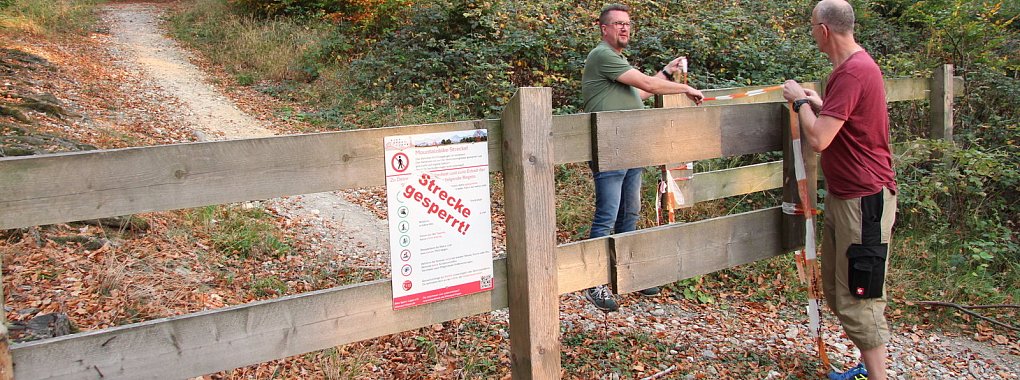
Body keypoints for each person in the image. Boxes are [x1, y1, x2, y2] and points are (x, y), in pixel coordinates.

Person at [781, 1, 897, 379]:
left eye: (812, 26)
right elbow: (846, 119)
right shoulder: (851, 70)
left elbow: (819, 138)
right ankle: (867, 368)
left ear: (824, 30)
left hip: (863, 200)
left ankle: (877, 375)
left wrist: (799, 99)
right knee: (837, 289)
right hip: (846, 195)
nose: (811, 32)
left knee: (859, 295)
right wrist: (819, 102)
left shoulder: (852, 72)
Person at [581, 3, 704, 312]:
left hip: (632, 146)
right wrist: (684, 86)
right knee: (607, 214)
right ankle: (592, 282)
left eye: (627, 24)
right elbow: (647, 85)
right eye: (618, 24)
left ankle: (627, 273)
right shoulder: (602, 55)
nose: (625, 28)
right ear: (604, 29)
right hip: (610, 147)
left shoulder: (617, 61)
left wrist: (667, 71)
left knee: (630, 213)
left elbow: (641, 93)